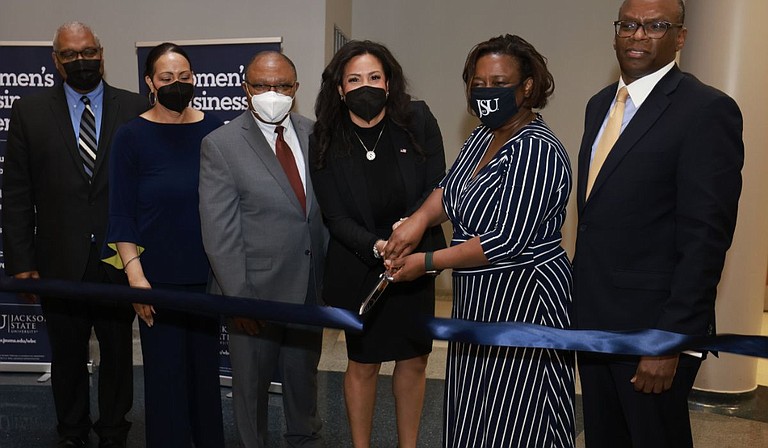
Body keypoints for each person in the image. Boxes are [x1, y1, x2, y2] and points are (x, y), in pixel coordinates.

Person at [384, 34, 574, 447]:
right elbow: (447, 194)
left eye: (499, 82)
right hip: (478, 295)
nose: (487, 92)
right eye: (479, 82)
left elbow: (505, 241)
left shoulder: (537, 151)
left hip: (525, 299)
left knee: (521, 414)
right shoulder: (482, 137)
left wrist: (427, 262)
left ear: (527, 87)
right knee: (474, 408)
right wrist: (416, 222)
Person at [572, 0, 744, 446]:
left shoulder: (706, 110)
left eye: (655, 26)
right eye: (628, 25)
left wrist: (669, 339)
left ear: (680, 37)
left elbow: (706, 238)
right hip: (596, 322)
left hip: (653, 328)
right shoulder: (599, 105)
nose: (638, 35)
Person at [2, 22, 147, 448]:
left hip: (118, 256)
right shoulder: (29, 111)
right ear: (56, 61)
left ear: (101, 53)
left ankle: (115, 430)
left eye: (88, 52)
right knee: (66, 354)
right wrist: (22, 262)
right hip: (57, 258)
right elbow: (15, 192)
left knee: (119, 351)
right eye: (70, 55)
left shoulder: (136, 106)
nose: (80, 61)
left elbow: (144, 191)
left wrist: (141, 258)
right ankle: (71, 431)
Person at [309, 40, 446, 448]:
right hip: (360, 267)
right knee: (363, 363)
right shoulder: (325, 137)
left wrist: (411, 232)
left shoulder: (417, 119)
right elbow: (334, 216)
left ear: (389, 83)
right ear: (339, 89)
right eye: (354, 79)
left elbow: (439, 186)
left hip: (416, 262)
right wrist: (379, 247)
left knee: (413, 362)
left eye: (374, 77)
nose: (365, 86)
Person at [199, 51, 326, 448]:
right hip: (253, 293)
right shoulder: (220, 145)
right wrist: (240, 301)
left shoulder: (315, 134)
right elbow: (219, 232)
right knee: (251, 390)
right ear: (245, 89)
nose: (273, 94)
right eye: (262, 86)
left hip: (308, 289)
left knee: (303, 383)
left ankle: (304, 440)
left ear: (296, 89)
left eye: (283, 86)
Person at [101, 42, 225, 447]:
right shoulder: (131, 136)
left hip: (208, 278)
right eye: (167, 78)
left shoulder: (215, 132)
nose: (177, 84)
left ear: (195, 79)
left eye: (184, 77)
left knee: (206, 380)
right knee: (166, 381)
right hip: (155, 281)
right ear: (150, 83)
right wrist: (136, 279)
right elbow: (120, 214)